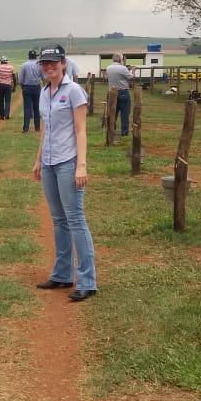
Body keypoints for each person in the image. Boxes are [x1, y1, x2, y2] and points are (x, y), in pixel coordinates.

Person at [32, 45, 97, 303]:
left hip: (68, 162)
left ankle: (88, 281)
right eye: (45, 63)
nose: (49, 67)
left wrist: (81, 165)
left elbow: (81, 131)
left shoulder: (74, 92)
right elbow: (46, 130)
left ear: (63, 63)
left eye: (53, 62)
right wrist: (38, 161)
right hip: (49, 163)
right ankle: (62, 274)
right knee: (58, 220)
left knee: (75, 219)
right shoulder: (44, 92)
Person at [107, 52, 136, 137]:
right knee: (124, 113)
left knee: (113, 113)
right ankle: (124, 132)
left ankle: (111, 129)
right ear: (120, 59)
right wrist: (133, 70)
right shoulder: (123, 68)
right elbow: (132, 78)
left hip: (112, 92)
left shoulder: (108, 68)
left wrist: (127, 70)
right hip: (122, 92)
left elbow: (119, 75)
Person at [19, 49, 43, 133]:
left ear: (28, 56)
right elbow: (43, 77)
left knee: (27, 108)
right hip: (36, 87)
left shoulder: (24, 65)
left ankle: (26, 128)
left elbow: (21, 79)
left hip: (26, 87)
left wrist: (22, 86)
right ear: (35, 56)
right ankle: (37, 127)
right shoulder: (40, 65)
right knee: (37, 108)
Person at [0, 56, 17, 120]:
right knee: (8, 101)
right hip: (8, 85)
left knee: (1, 100)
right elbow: (14, 77)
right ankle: (7, 115)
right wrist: (14, 86)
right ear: (6, 61)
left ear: (2, 61)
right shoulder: (11, 67)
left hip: (0, 85)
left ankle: (2, 116)